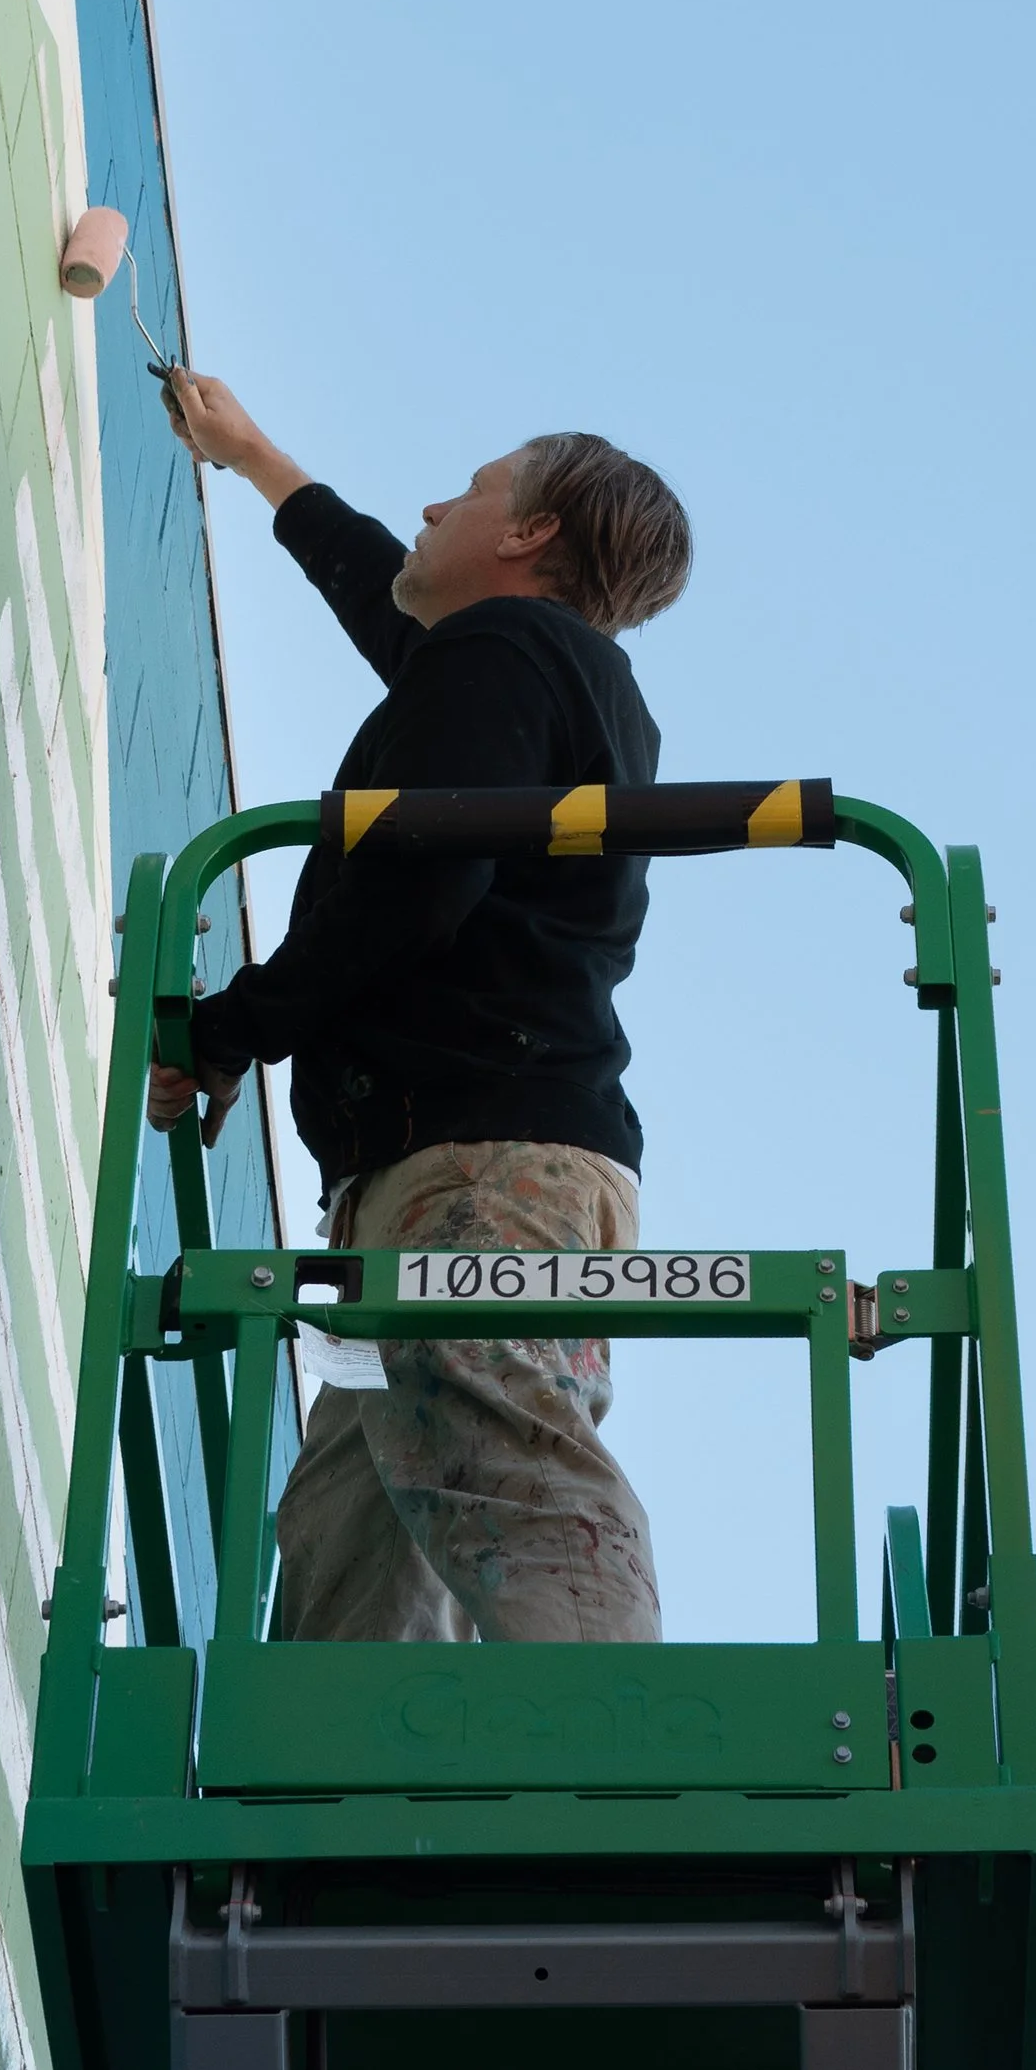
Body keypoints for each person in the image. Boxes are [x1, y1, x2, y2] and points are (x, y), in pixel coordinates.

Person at [150, 372, 691, 1647]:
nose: (436, 501)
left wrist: (230, 1027)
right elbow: (379, 593)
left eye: (472, 488)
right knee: (356, 1521)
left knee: (488, 1426)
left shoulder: (507, 655)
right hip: (467, 1156)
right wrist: (256, 457)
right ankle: (335, 1827)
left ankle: (621, 1757)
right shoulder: (534, 673)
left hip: (479, 1159)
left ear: (524, 536)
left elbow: (417, 890)